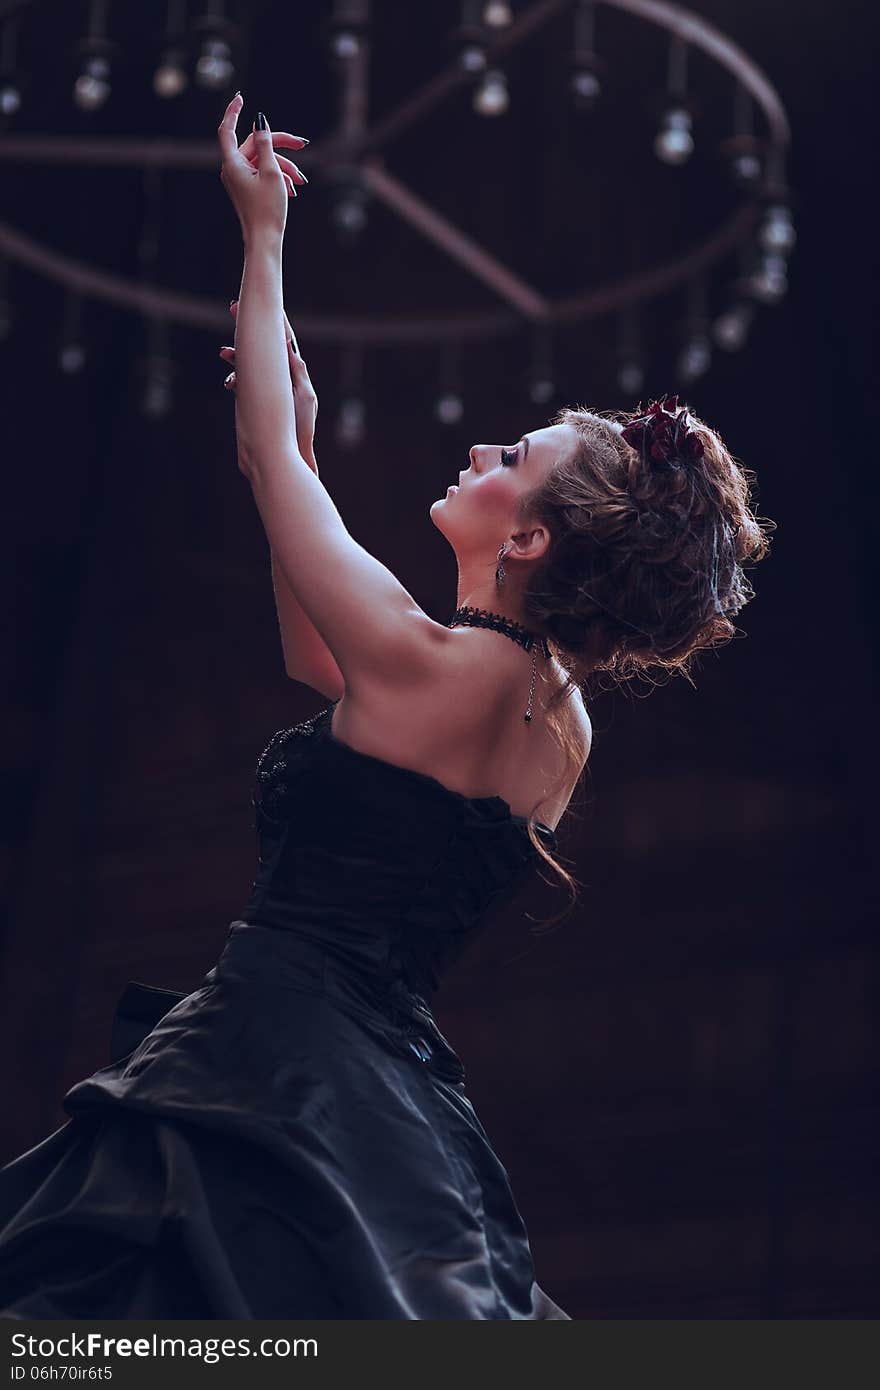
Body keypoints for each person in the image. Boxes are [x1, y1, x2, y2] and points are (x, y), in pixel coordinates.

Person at [0, 96, 772, 1319]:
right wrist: (286, 450)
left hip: (278, 1049)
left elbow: (300, 510)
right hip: (374, 1076)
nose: (477, 454)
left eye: (507, 460)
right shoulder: (551, 715)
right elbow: (320, 654)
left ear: (523, 536)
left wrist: (261, 241)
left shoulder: (438, 666)